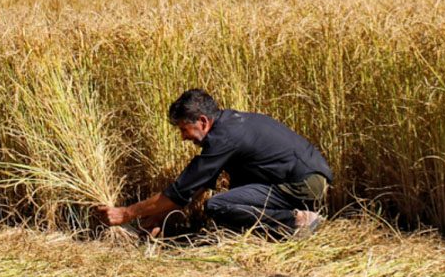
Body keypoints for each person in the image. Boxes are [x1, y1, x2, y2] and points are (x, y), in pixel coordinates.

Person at [93, 89, 332, 238]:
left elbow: (179, 192)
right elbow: (199, 187)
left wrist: (125, 214)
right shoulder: (230, 126)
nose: (183, 137)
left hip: (302, 183)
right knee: (232, 195)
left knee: (217, 206)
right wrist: (163, 214)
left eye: (184, 129)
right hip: (306, 177)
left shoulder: (223, 138)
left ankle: (297, 221)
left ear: (203, 121)